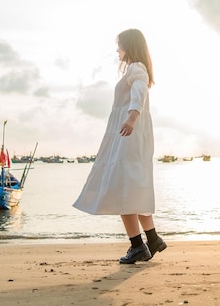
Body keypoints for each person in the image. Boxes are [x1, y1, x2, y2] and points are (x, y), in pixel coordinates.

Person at [73, 28, 166, 264]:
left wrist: (131, 118)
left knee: (123, 187)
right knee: (134, 186)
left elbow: (139, 94)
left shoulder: (136, 69)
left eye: (120, 45)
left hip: (129, 134)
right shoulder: (138, 69)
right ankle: (152, 239)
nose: (117, 50)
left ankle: (137, 246)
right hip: (130, 134)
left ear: (130, 46)